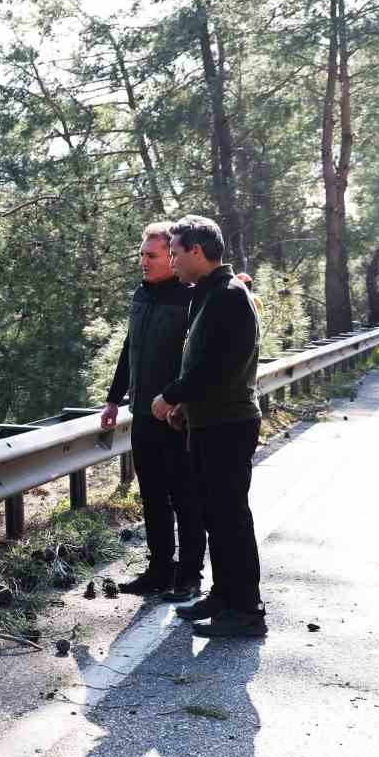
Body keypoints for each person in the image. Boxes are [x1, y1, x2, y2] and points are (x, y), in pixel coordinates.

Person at [151, 215, 267, 638]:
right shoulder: (210, 292)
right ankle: (224, 595)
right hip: (209, 422)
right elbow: (208, 361)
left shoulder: (230, 295)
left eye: (176, 252)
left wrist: (172, 395)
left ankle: (247, 609)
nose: (172, 261)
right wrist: (187, 408)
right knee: (215, 515)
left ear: (196, 251)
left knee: (230, 516)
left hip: (228, 425)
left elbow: (218, 366)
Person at [101, 221, 204, 600]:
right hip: (142, 414)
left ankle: (190, 576)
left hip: (178, 417)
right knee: (152, 495)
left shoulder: (191, 296)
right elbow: (131, 349)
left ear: (171, 256)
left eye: (152, 255)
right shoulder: (141, 295)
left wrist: (180, 403)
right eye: (141, 254)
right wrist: (114, 398)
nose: (143, 261)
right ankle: (160, 569)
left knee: (185, 496)